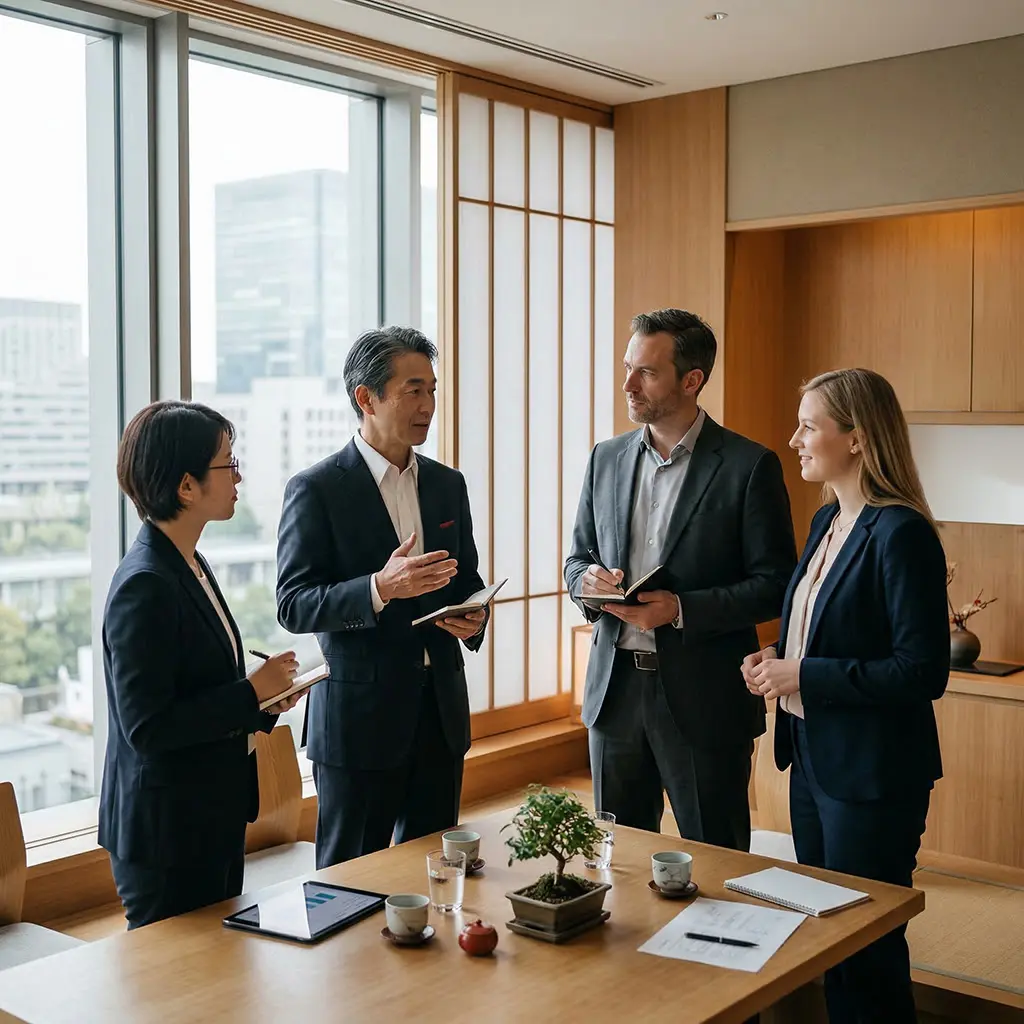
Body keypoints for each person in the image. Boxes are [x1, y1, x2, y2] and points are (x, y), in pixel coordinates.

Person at [743, 368, 949, 1023]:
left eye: (809, 425)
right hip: (813, 761)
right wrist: (778, 661)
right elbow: (829, 635)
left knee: (867, 947)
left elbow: (922, 671)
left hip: (872, 776)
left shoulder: (900, 532)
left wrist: (805, 675)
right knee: (829, 933)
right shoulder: (828, 520)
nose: (794, 438)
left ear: (857, 439)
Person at [565, 308, 796, 851]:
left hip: (705, 695)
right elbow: (576, 559)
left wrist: (680, 608)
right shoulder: (606, 458)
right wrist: (588, 582)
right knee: (618, 859)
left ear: (692, 380)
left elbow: (775, 583)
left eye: (645, 372)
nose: (627, 384)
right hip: (614, 690)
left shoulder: (748, 466)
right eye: (627, 367)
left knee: (715, 857)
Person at [276, 326, 488, 868]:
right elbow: (294, 602)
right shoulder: (317, 488)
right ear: (365, 398)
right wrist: (378, 588)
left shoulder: (447, 484)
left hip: (439, 716)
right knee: (349, 885)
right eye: (413, 390)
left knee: (438, 876)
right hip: (358, 723)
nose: (428, 405)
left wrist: (475, 615)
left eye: (433, 390)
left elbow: (466, 579)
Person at [98, 401, 302, 929]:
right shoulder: (145, 583)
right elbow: (148, 726)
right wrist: (250, 693)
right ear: (186, 486)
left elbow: (203, 692)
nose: (238, 476)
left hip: (208, 814)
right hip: (167, 831)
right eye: (227, 464)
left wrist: (264, 705)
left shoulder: (190, 561)